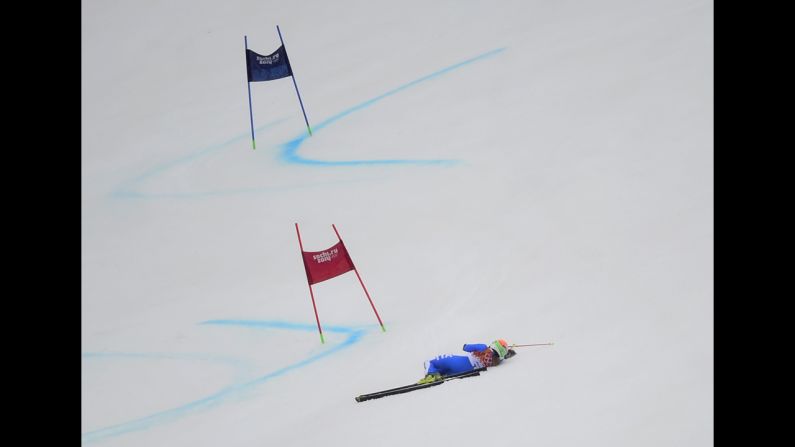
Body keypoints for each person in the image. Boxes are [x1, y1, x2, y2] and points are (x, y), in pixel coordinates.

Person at [417, 339, 517, 384]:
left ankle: (431, 374)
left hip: (458, 361)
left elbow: (465, 347)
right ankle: (437, 374)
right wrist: (508, 352)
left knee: (429, 362)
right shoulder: (497, 361)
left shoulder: (483, 347)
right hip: (465, 369)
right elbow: (504, 356)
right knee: (445, 370)